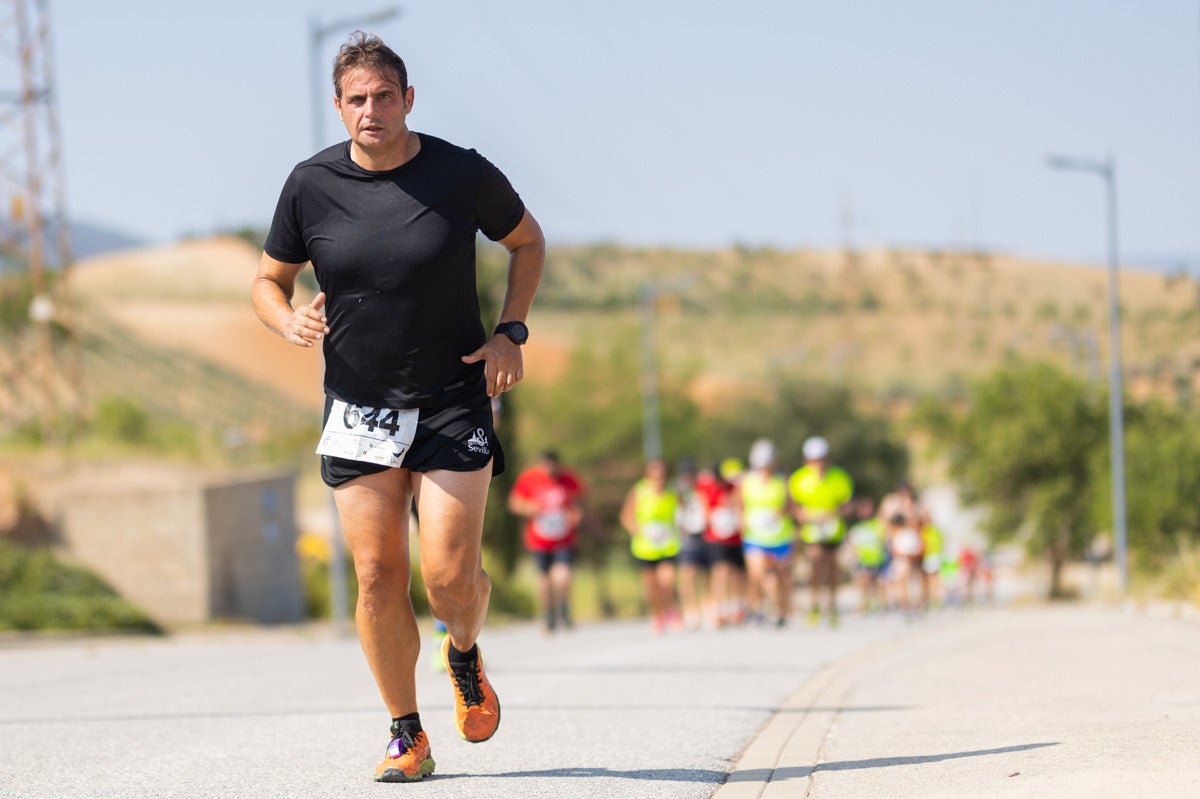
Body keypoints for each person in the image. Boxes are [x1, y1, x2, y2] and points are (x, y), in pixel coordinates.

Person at [251, 32, 545, 783]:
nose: (371, 110)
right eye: (357, 98)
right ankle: (405, 731)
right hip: (358, 405)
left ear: (408, 100)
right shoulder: (309, 184)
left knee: (449, 579)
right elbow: (268, 278)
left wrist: (511, 330)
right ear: (339, 106)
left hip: (453, 396)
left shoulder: (461, 173)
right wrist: (285, 318)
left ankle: (464, 651)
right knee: (378, 574)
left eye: (385, 96)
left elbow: (527, 241)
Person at [508, 450, 585, 634]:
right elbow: (514, 503)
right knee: (543, 578)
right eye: (546, 466)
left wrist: (576, 516)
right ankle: (548, 613)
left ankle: (564, 607)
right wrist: (529, 508)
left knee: (563, 574)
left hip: (563, 537)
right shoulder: (529, 478)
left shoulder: (568, 478)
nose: (549, 470)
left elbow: (580, 502)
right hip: (539, 538)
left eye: (553, 466)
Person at [788, 436, 855, 628]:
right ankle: (815, 605)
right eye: (815, 459)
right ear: (807, 460)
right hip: (811, 532)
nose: (819, 463)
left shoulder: (840, 477)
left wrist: (833, 512)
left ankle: (832, 607)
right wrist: (807, 516)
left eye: (822, 459)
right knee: (815, 565)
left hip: (834, 531)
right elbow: (792, 508)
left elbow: (848, 505)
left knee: (833, 569)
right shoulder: (798, 479)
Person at [619, 458, 682, 633]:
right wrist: (639, 531)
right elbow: (626, 517)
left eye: (661, 475)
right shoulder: (639, 491)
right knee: (651, 586)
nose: (658, 479)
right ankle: (658, 615)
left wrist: (679, 528)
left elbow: (682, 512)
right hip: (645, 547)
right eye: (655, 475)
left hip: (667, 544)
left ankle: (671, 610)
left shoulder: (672, 492)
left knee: (666, 581)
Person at [736, 439, 795, 627]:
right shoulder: (746, 479)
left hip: (778, 535)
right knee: (758, 573)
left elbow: (791, 505)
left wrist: (779, 512)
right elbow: (738, 503)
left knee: (780, 576)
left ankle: (780, 609)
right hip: (755, 535)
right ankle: (759, 607)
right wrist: (742, 520)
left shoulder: (782, 479)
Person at [699, 458, 747, 627]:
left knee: (736, 573)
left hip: (734, 537)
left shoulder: (734, 487)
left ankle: (736, 607)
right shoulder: (707, 487)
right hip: (716, 537)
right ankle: (718, 608)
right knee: (721, 570)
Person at [674, 458, 713, 630]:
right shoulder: (679, 489)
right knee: (688, 574)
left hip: (704, 534)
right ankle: (690, 611)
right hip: (688, 536)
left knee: (706, 574)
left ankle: (708, 607)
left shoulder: (703, 486)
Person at [846, 497, 888, 614]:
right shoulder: (856, 528)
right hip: (863, 559)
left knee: (878, 583)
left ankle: (882, 604)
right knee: (863, 581)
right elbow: (853, 545)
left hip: (877, 558)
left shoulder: (878, 524)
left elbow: (884, 539)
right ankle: (865, 604)